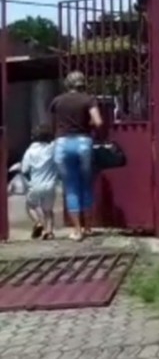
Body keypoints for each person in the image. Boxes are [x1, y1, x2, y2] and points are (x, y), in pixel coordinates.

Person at [50, 70, 103, 242]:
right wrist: (86, 124)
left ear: (68, 84)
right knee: (85, 184)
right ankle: (88, 228)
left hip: (62, 144)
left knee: (71, 186)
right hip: (83, 143)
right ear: (82, 84)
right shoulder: (89, 99)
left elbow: (53, 122)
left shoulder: (57, 101)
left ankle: (76, 231)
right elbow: (98, 122)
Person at [21, 124, 58, 240]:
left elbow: (24, 169)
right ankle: (49, 232)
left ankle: (38, 222)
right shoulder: (51, 149)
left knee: (30, 205)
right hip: (50, 185)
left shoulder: (30, 151)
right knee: (48, 211)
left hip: (35, 185)